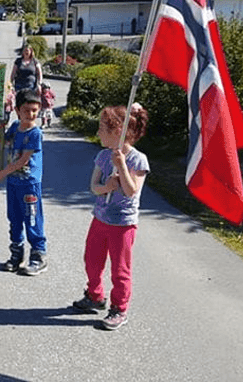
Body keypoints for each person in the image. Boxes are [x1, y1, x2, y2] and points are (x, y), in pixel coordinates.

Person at [72, 103, 150, 331]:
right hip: (100, 219)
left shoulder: (138, 160)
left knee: (120, 269)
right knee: (92, 260)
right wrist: (106, 186)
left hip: (123, 225)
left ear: (117, 131)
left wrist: (122, 167)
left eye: (102, 129)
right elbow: (94, 187)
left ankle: (119, 308)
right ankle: (95, 295)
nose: (98, 133)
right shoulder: (102, 156)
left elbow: (131, 190)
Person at [0, 89, 47, 276]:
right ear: (17, 110)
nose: (31, 114)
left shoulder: (35, 133)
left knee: (32, 219)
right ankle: (16, 254)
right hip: (14, 183)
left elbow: (23, 160)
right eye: (26, 110)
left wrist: (3, 172)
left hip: (29, 183)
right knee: (14, 218)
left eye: (34, 110)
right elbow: (4, 142)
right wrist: (0, 128)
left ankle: (38, 256)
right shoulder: (16, 126)